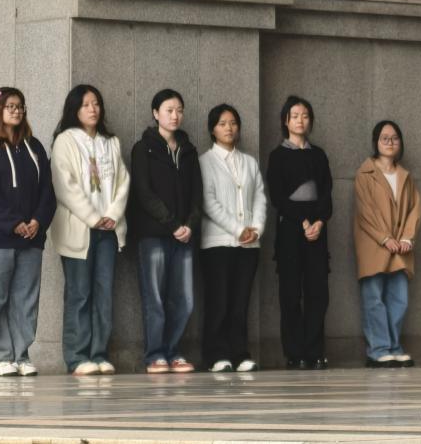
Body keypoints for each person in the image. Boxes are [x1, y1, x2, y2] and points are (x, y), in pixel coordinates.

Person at [0, 87, 55, 377]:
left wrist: (38, 221)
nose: (17, 111)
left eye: (20, 106)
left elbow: (47, 192)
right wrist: (12, 222)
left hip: (31, 238)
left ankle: (21, 355)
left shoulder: (34, 147)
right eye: (10, 106)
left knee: (25, 300)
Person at [49, 84, 130, 376]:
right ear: (75, 109)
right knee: (80, 294)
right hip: (79, 229)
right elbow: (64, 185)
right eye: (85, 104)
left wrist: (111, 215)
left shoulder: (111, 142)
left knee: (103, 294)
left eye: (96, 103)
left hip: (108, 230)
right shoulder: (65, 141)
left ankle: (99, 353)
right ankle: (77, 356)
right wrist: (93, 217)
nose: (92, 109)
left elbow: (123, 182)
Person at [129, 88, 202, 374]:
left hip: (184, 235)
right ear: (155, 113)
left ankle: (173, 351)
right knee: (155, 298)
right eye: (169, 110)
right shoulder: (143, 148)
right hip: (154, 235)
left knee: (184, 299)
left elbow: (197, 195)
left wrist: (189, 225)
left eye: (179, 110)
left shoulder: (188, 150)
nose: (175, 115)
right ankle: (155, 354)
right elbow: (144, 193)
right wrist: (172, 224)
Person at [266, 95, 333, 369]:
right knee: (290, 293)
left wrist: (319, 222)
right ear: (286, 120)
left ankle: (315, 351)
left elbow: (327, 193)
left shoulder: (319, 155)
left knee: (318, 293)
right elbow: (278, 197)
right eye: (294, 116)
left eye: (305, 115)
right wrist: (304, 222)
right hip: (290, 231)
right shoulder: (278, 156)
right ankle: (295, 353)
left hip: (317, 230)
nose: (300, 120)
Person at [199, 103, 266, 373]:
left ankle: (240, 353)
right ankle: (216, 354)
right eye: (222, 123)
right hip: (218, 243)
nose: (229, 128)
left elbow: (260, 197)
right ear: (212, 129)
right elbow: (209, 202)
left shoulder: (249, 162)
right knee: (219, 300)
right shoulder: (205, 162)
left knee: (240, 302)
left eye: (233, 123)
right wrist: (238, 229)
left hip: (249, 245)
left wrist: (256, 228)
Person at [354, 120, 421, 368]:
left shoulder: (406, 176)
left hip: (400, 246)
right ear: (376, 142)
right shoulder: (365, 173)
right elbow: (365, 212)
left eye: (394, 138)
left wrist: (406, 238)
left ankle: (394, 347)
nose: (390, 142)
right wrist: (384, 238)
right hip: (374, 244)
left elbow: (415, 209)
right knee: (373, 298)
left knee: (399, 298)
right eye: (385, 138)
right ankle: (378, 349)